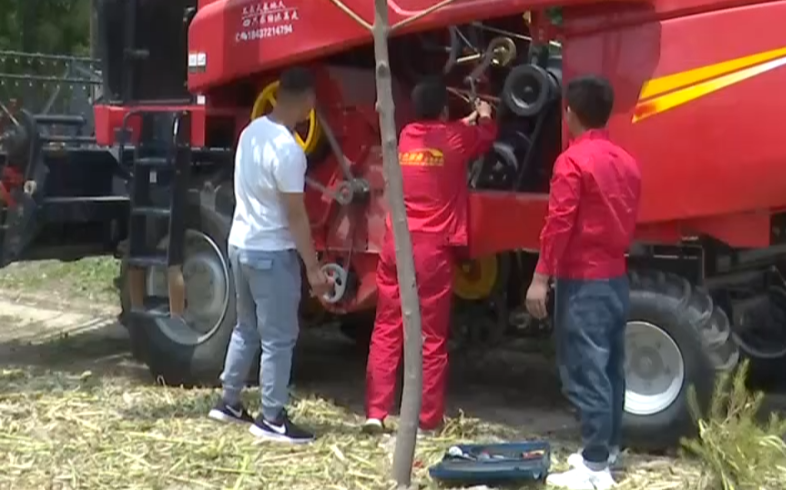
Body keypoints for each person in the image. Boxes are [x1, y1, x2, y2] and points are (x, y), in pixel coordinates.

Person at [524, 75, 641, 490]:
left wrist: (540, 278)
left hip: (583, 280)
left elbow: (559, 224)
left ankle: (593, 467)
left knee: (585, 370)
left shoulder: (572, 162)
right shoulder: (626, 161)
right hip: (615, 277)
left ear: (569, 113)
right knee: (610, 369)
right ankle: (606, 450)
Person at [363, 77, 497, 433]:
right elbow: (485, 137)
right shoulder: (456, 138)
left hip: (396, 245)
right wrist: (484, 115)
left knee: (386, 330)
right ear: (443, 110)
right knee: (431, 337)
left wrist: (463, 121)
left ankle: (375, 412)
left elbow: (443, 134)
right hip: (431, 250)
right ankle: (426, 419)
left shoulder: (406, 136)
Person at [208, 66, 332, 444]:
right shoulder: (288, 150)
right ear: (307, 99)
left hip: (240, 243)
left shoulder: (251, 133)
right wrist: (314, 269)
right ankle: (272, 417)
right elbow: (295, 215)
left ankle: (229, 401)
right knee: (279, 338)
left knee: (245, 328)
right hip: (271, 252)